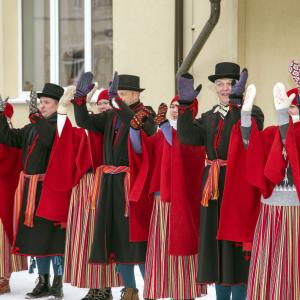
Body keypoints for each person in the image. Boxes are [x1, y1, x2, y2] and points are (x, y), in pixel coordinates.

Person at [176, 62, 264, 300]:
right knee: (216, 244)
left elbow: (244, 135)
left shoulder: (252, 112)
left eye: (231, 84)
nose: (225, 89)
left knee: (236, 244)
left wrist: (237, 104)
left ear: (241, 88)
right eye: (221, 84)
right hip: (213, 186)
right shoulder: (209, 116)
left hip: (238, 185)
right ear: (215, 88)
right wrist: (185, 107)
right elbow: (187, 137)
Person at [71, 72, 156, 300]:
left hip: (132, 184)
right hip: (109, 184)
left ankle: (151, 291)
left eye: (124, 94)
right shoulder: (110, 116)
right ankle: (130, 291)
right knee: (117, 240)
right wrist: (80, 100)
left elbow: (150, 131)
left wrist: (118, 104)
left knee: (137, 241)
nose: (120, 97)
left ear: (136, 94)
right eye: (118, 94)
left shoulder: (145, 113)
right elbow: (84, 122)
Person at [129, 95, 207, 299]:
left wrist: (164, 125)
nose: (175, 110)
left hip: (184, 204)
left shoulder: (196, 132)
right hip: (161, 200)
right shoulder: (162, 134)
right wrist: (134, 129)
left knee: (182, 248)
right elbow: (140, 150)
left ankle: (185, 292)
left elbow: (181, 147)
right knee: (161, 251)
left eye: (180, 107)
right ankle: (164, 290)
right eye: (173, 106)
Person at [0, 84, 67, 300]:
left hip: (50, 189)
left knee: (54, 237)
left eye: (47, 103)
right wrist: (1, 114)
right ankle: (43, 280)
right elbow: (8, 137)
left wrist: (36, 120)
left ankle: (57, 283)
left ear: (57, 105)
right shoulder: (32, 128)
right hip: (31, 190)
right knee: (38, 238)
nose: (42, 106)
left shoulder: (61, 124)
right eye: (41, 102)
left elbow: (50, 140)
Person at [60, 85, 123, 300]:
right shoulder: (88, 126)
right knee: (85, 237)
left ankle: (105, 287)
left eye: (106, 102)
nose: (102, 106)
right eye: (99, 103)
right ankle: (93, 285)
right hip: (84, 187)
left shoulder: (114, 126)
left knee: (102, 235)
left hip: (104, 184)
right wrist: (68, 105)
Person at [245, 60, 300, 299]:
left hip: (296, 211)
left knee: (291, 267)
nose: (291, 110)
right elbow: (251, 150)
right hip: (271, 210)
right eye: (288, 107)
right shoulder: (270, 134)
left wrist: (287, 125)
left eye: (293, 107)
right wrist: (245, 118)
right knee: (270, 267)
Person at [0, 101, 27, 295]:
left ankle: (3, 276)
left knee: (2, 235)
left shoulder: (10, 137)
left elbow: (10, 161)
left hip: (6, 191)